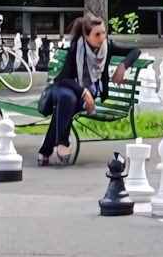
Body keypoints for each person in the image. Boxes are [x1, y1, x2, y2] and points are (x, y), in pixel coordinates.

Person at [38, 13, 140, 166]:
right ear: (86, 36)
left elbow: (135, 51)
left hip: (80, 97)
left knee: (68, 103)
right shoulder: (76, 48)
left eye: (104, 32)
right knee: (68, 97)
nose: (102, 37)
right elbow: (63, 79)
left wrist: (122, 66)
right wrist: (84, 93)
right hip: (62, 89)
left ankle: (46, 151)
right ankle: (62, 144)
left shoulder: (108, 47)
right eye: (97, 34)